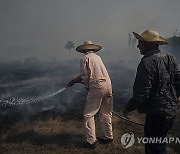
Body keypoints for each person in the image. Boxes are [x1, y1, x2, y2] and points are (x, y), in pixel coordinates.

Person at [123, 29, 180, 154]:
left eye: (140, 43)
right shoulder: (171, 58)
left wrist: (128, 108)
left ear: (148, 44)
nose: (138, 46)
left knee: (154, 148)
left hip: (157, 113)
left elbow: (142, 93)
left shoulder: (147, 62)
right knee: (159, 144)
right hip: (170, 111)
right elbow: (178, 80)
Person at [67, 40, 113, 148]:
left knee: (88, 114)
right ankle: (107, 137)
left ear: (84, 50)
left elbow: (85, 76)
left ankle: (91, 141)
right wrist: (74, 80)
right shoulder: (98, 58)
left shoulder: (84, 58)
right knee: (106, 112)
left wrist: (85, 85)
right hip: (108, 85)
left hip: (97, 86)